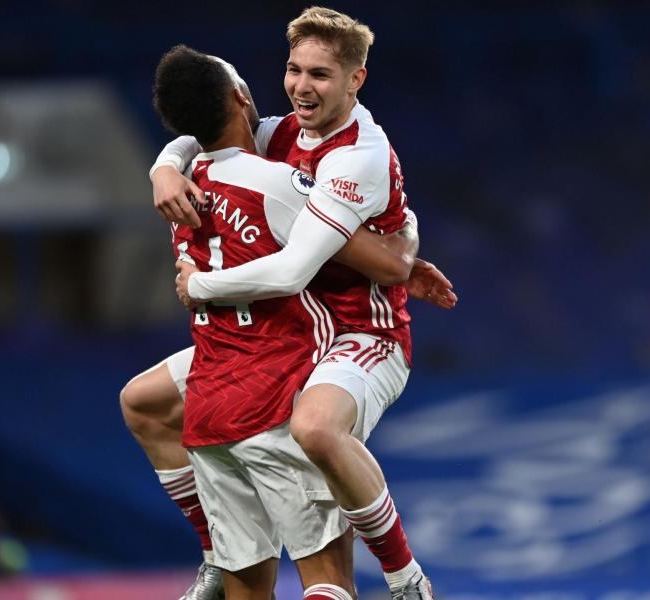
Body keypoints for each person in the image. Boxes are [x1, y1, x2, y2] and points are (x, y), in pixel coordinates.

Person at [154, 8, 446, 599]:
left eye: (320, 75)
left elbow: (297, 270)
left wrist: (198, 288)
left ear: (355, 80)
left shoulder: (355, 156)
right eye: (293, 70)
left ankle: (405, 577)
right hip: (290, 334)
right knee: (144, 403)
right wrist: (162, 166)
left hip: (362, 334)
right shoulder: (284, 132)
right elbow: (207, 125)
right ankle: (216, 555)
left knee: (313, 428)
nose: (301, 87)